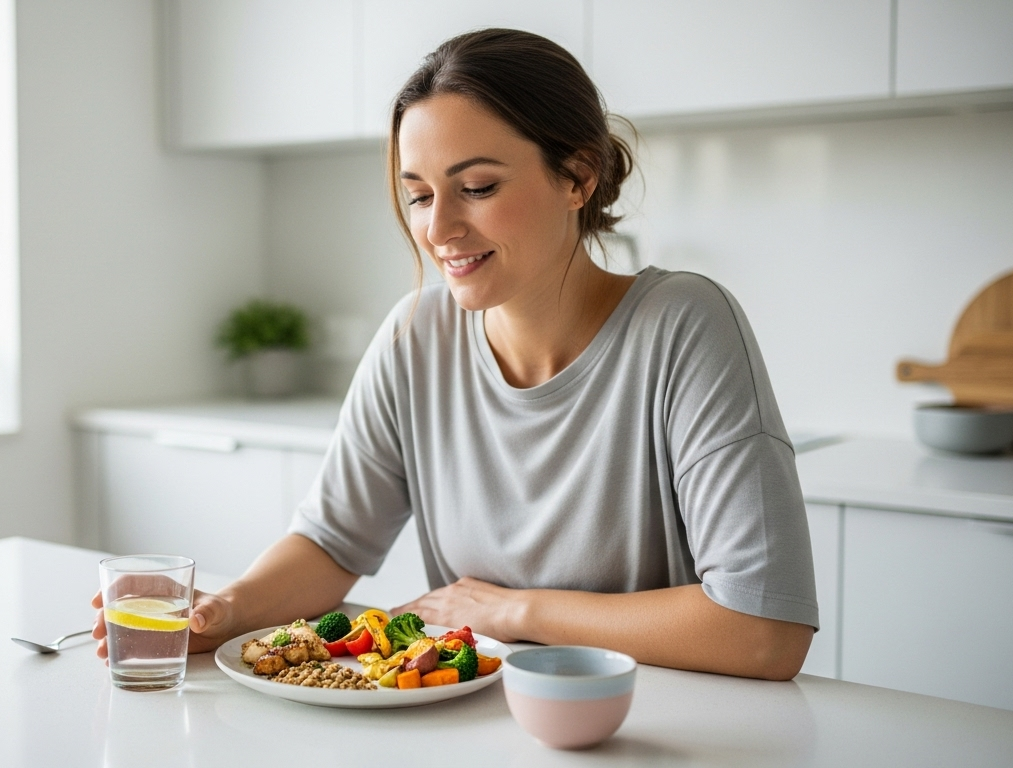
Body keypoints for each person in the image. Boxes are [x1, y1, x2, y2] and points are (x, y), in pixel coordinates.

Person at [94, 28, 818, 680]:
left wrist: (515, 612)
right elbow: (331, 546)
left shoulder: (683, 324)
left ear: (578, 176)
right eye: (418, 196)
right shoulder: (416, 336)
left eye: (477, 187)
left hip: (655, 726)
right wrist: (220, 611)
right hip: (473, 723)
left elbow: (763, 630)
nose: (439, 228)